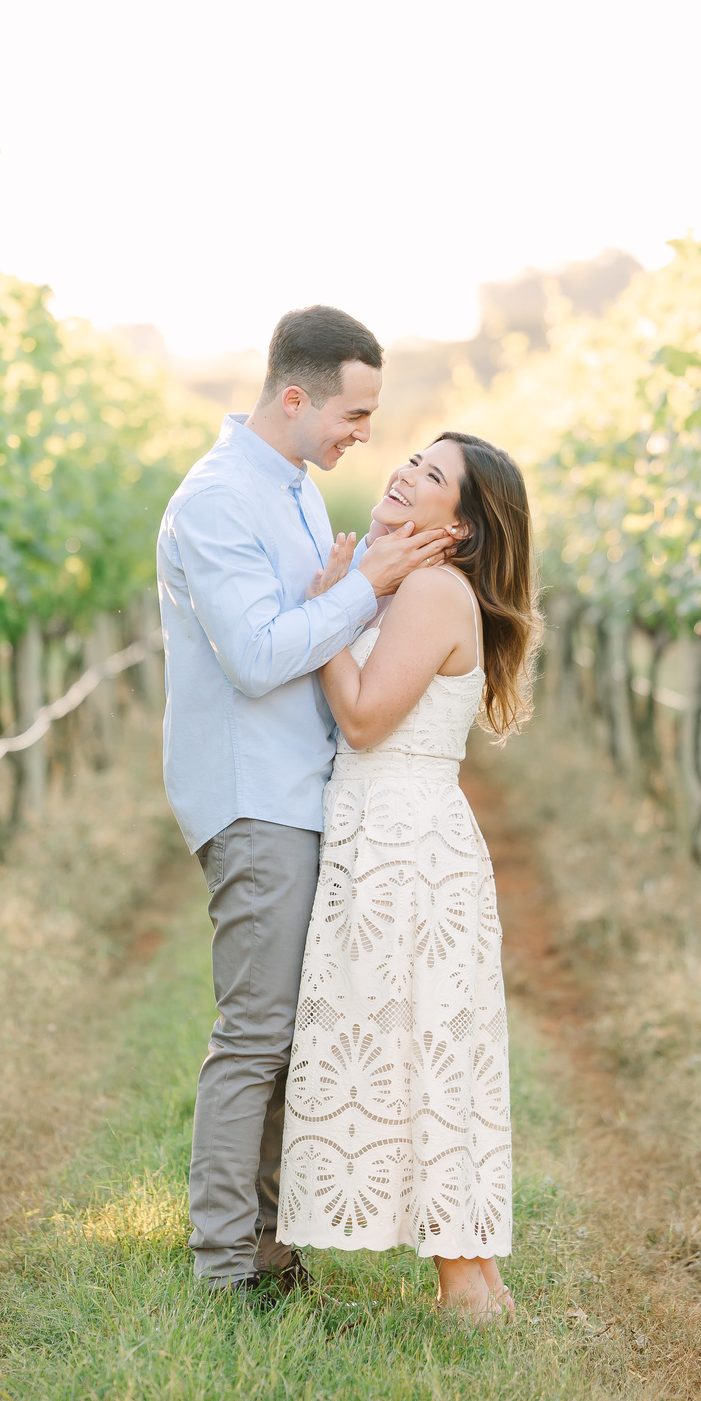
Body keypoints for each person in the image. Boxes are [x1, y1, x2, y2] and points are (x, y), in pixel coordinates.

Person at [156, 306, 457, 1299]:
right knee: (255, 1033)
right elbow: (255, 660)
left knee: (295, 1034)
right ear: (297, 396)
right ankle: (222, 1267)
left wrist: (348, 582)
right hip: (255, 798)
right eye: (354, 413)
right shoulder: (216, 502)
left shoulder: (284, 488)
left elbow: (305, 626)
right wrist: (364, 586)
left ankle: (269, 1245)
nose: (363, 436)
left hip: (301, 790)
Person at [278, 431, 541, 1320]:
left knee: (418, 1044)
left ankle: (467, 1286)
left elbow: (361, 720)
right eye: (412, 461)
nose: (404, 473)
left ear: (459, 530)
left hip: (399, 843)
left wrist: (324, 616)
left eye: (432, 477)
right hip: (405, 834)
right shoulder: (430, 588)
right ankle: (477, 1283)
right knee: (432, 1043)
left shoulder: (430, 590)